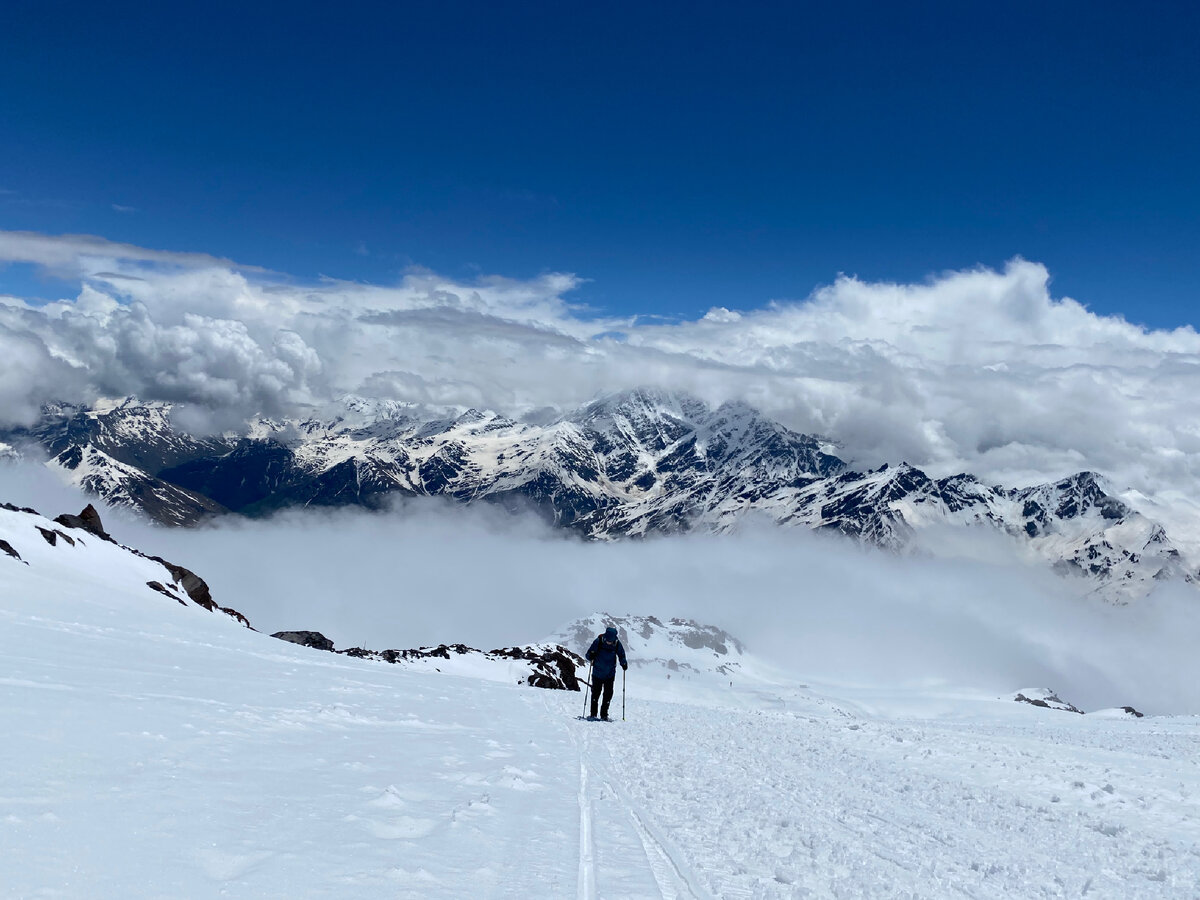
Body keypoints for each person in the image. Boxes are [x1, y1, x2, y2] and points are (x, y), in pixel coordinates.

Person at [585, 625, 628, 720]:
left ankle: (604, 715)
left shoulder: (617, 643)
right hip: (597, 673)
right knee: (595, 694)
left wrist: (624, 663)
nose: (609, 643)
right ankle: (593, 714)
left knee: (608, 695)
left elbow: (621, 655)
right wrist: (591, 655)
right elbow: (588, 655)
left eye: (610, 641)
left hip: (610, 674)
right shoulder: (598, 641)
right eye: (607, 641)